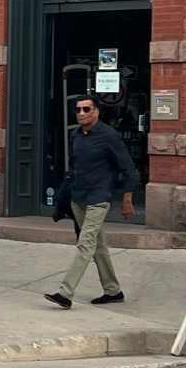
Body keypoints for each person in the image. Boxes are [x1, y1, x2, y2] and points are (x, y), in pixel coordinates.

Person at [45, 94, 136, 309]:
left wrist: (127, 198)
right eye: (78, 110)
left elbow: (129, 168)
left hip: (98, 198)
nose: (82, 114)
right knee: (98, 246)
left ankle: (65, 293)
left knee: (85, 245)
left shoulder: (108, 135)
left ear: (96, 112)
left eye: (86, 109)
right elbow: (75, 167)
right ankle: (113, 290)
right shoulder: (75, 136)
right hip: (79, 198)